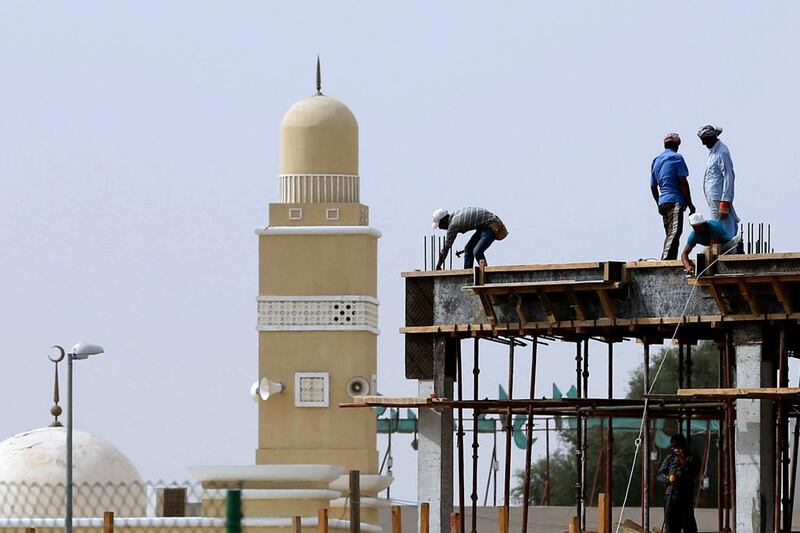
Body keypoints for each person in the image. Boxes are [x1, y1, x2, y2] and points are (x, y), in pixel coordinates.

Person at [651, 133, 696, 260]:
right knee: (674, 232)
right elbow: (683, 182)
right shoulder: (677, 158)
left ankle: (670, 259)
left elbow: (653, 186)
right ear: (677, 146)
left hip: (663, 202)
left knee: (670, 234)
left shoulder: (656, 160)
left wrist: (658, 203)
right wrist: (690, 204)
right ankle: (665, 259)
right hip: (674, 200)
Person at [431, 207, 507, 269]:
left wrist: (438, 265)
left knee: (477, 251)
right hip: (483, 227)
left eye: (440, 225)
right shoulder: (455, 215)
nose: (440, 228)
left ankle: (485, 273)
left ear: (444, 220)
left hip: (492, 226)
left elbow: (446, 247)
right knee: (468, 249)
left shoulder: (453, 225)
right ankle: (468, 273)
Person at [698, 125, 739, 238]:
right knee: (719, 223)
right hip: (714, 197)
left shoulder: (722, 152)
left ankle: (725, 245)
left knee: (721, 224)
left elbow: (728, 176)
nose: (703, 144)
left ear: (711, 137)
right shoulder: (714, 153)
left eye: (705, 141)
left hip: (719, 196)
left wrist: (725, 200)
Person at [657, 434, 699, 533]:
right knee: (671, 528)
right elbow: (659, 474)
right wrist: (668, 478)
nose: (677, 450)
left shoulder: (691, 459)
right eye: (674, 447)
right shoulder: (670, 458)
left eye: (679, 447)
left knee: (689, 527)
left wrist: (683, 461)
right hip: (671, 498)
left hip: (685, 498)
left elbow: (693, 473)